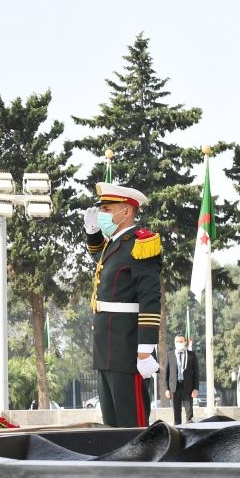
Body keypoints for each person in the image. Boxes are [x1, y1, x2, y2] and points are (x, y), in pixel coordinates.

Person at [83, 182, 162, 428]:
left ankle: (140, 469)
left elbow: (149, 298)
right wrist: (93, 232)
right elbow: (102, 259)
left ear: (126, 211)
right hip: (106, 348)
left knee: (132, 427)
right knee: (111, 427)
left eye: (107, 208)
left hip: (128, 349)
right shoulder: (115, 244)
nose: (102, 213)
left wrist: (145, 350)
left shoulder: (141, 244)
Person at [164, 334, 199, 424]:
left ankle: (190, 431)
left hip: (188, 387)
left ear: (185, 342)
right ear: (174, 343)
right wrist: (166, 389)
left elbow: (196, 373)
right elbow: (166, 373)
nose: (179, 343)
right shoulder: (169, 355)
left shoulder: (191, 355)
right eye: (177, 341)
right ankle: (178, 431)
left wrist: (196, 388)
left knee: (189, 411)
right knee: (176, 411)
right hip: (174, 387)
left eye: (181, 341)